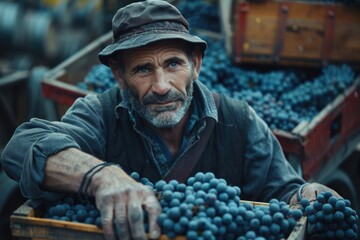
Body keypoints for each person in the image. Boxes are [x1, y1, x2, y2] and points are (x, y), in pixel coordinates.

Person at [1, 1, 340, 240]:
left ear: (196, 63)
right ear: (119, 77)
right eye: (143, 69)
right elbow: (22, 147)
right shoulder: (101, 113)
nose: (161, 86)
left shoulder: (240, 121)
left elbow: (283, 193)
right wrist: (100, 176)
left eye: (174, 64)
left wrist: (308, 194)